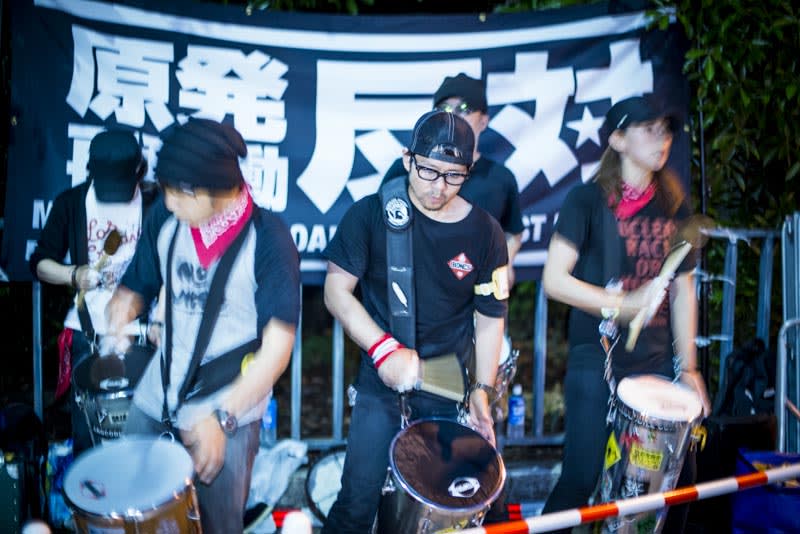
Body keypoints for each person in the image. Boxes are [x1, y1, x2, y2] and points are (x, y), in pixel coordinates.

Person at [105, 118, 300, 533]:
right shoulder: (165, 218)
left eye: (178, 193)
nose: (169, 203)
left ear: (210, 188)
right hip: (159, 391)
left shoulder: (269, 239)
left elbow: (277, 349)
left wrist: (222, 417)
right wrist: (121, 311)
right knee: (130, 502)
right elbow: (136, 286)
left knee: (217, 522)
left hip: (230, 405)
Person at [322, 110, 510, 533]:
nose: (438, 186)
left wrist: (483, 390)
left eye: (453, 176)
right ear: (408, 159)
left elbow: (490, 317)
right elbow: (336, 291)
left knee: (451, 506)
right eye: (428, 170)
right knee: (356, 503)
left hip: (448, 386)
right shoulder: (371, 215)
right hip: (381, 382)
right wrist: (382, 348)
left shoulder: (486, 233)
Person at [540, 96, 712, 531]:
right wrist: (623, 304)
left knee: (680, 480)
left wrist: (689, 368)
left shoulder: (674, 204)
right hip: (596, 356)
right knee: (581, 476)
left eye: (666, 130)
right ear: (618, 139)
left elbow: (683, 289)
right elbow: (554, 280)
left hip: (655, 361)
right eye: (649, 130)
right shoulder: (586, 200)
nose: (662, 139)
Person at [29, 129, 158, 455]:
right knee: (88, 434)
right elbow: (39, 263)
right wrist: (73, 274)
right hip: (87, 333)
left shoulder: (154, 204)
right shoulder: (71, 203)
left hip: (140, 333)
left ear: (139, 170)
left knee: (142, 433)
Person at [383, 73, 523, 287]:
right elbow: (380, 222)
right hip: (411, 285)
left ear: (484, 121)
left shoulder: (500, 179)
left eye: (464, 109)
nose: (454, 116)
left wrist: (505, 264)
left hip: (474, 290)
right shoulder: (409, 166)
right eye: (445, 108)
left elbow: (513, 231)